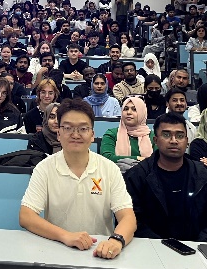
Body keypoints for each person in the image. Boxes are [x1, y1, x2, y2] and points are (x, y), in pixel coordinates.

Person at [20, 98, 136, 259]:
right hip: (56, 248)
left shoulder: (109, 169)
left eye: (83, 128)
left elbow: (128, 217)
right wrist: (65, 236)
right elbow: (26, 216)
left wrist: (116, 241)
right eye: (68, 128)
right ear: (58, 133)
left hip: (100, 252)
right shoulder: (44, 168)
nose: (75, 135)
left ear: (92, 135)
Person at [124, 112, 207, 241]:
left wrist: (198, 245)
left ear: (187, 141)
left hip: (196, 247)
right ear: (155, 140)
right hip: (151, 247)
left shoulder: (202, 175)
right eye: (166, 135)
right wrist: (160, 246)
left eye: (180, 136)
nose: (174, 141)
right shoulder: (137, 176)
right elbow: (131, 220)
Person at [100, 97, 156, 163]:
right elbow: (106, 157)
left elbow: (158, 159)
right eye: (126, 109)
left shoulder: (153, 136)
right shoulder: (112, 134)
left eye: (134, 109)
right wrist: (139, 158)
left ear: (142, 113)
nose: (129, 112)